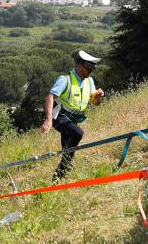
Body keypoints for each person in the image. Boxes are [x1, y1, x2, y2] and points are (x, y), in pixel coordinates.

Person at [42, 50, 106, 179]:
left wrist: (99, 97)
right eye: (88, 68)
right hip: (59, 116)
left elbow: (95, 103)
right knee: (78, 134)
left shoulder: (89, 81)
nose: (90, 72)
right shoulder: (65, 79)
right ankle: (63, 170)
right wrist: (48, 120)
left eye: (92, 69)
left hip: (73, 119)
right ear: (79, 66)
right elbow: (50, 97)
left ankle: (58, 179)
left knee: (68, 151)